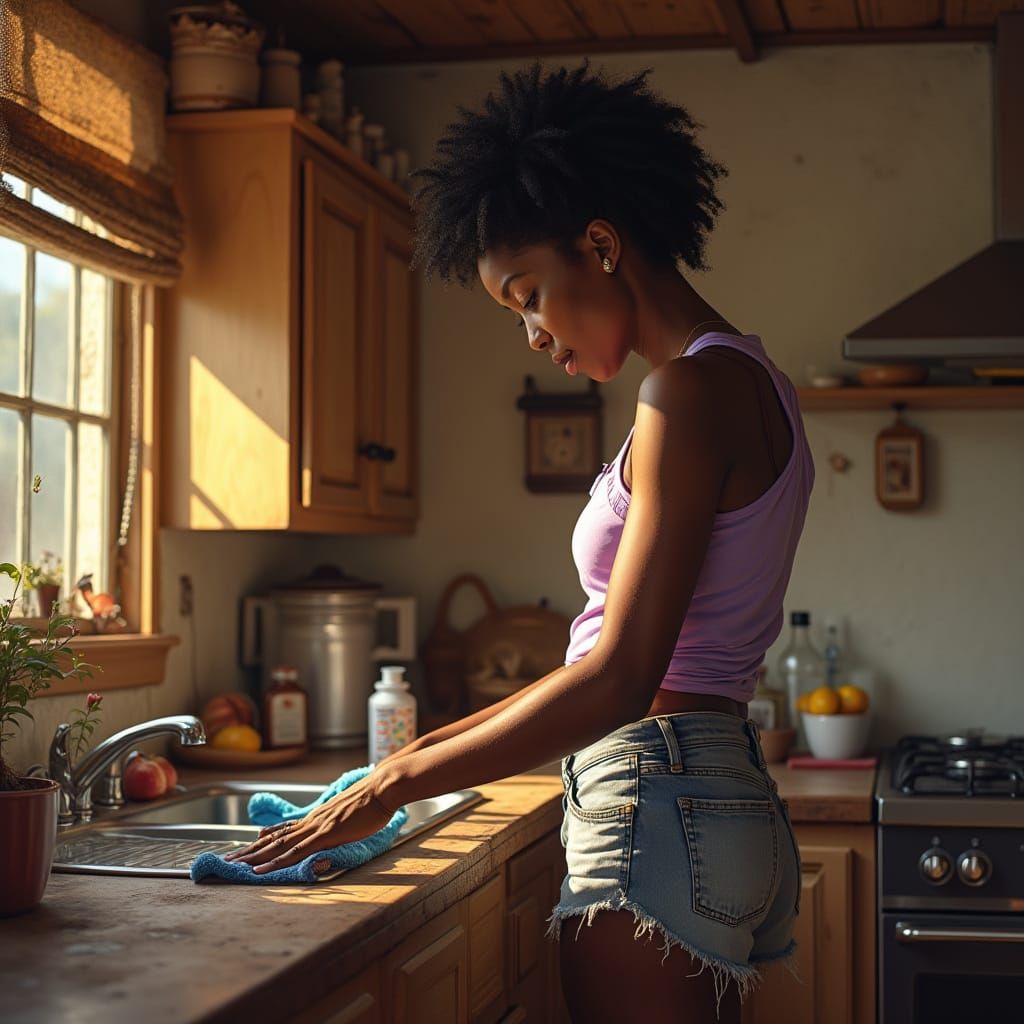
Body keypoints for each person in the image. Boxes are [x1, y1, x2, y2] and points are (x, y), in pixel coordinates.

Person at [225, 61, 814, 1023]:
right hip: (710, 789)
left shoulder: (686, 394)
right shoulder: (751, 382)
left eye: (529, 294)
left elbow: (620, 677)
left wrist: (400, 782)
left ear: (600, 243)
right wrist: (397, 767)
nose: (533, 333)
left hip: (655, 801)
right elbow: (600, 666)